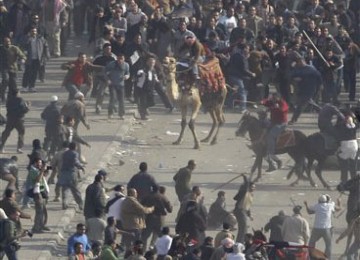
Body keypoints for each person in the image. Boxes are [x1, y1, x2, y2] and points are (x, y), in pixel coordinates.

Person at [304, 194, 341, 258]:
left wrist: (306, 205)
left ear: (319, 201)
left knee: (311, 243)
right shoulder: (330, 205)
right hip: (327, 229)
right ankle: (327, 258)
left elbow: (309, 212)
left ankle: (311, 257)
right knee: (328, 245)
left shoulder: (317, 206)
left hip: (317, 228)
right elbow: (338, 209)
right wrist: (339, 202)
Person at [289, 56, 322, 125]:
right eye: (299, 62)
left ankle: (293, 119)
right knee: (308, 102)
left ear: (304, 61)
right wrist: (295, 78)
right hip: (301, 88)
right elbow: (292, 76)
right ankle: (323, 110)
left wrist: (320, 85)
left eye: (301, 62)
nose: (300, 63)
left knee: (300, 105)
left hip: (310, 88)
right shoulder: (297, 69)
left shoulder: (310, 69)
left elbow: (318, 76)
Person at [261, 93, 289, 171]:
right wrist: (264, 101)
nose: (273, 99)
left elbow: (283, 109)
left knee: (271, 135)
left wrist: (277, 107)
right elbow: (264, 102)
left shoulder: (283, 103)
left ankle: (271, 151)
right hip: (273, 122)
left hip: (281, 123)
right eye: (272, 98)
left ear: (279, 98)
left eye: (274, 98)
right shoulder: (272, 102)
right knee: (262, 127)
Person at [141, 185, 173, 250]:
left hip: (149, 218)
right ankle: (154, 250)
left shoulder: (147, 196)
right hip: (160, 219)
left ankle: (142, 251)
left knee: (144, 236)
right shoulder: (163, 197)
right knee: (161, 236)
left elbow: (140, 205)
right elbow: (170, 209)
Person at [226, 43, 256, 112]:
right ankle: (243, 108)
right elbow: (244, 69)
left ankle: (229, 105)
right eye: (247, 48)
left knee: (235, 91)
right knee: (243, 92)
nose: (248, 50)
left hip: (231, 76)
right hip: (238, 77)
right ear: (244, 49)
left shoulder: (234, 55)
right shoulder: (242, 57)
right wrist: (252, 74)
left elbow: (228, 64)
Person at [26, 157, 51, 233]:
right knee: (39, 211)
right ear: (34, 163)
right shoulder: (32, 171)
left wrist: (45, 170)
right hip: (37, 193)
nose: (40, 164)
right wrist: (42, 171)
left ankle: (42, 225)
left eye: (41, 163)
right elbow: (38, 180)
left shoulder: (38, 170)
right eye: (38, 163)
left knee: (44, 210)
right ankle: (36, 228)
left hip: (42, 191)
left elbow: (44, 176)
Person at [0, 89, 29, 154]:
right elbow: (24, 110)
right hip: (19, 119)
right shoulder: (21, 100)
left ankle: (1, 147)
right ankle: (19, 148)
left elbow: (8, 108)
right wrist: (28, 106)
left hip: (10, 119)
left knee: (6, 133)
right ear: (18, 93)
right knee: (21, 133)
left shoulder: (9, 100)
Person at [21, 27, 49, 92]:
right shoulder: (27, 39)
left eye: (35, 31)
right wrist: (22, 57)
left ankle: (32, 86)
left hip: (37, 59)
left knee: (34, 73)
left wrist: (47, 55)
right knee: (27, 73)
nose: (34, 33)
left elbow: (46, 46)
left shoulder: (40, 39)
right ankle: (24, 86)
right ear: (30, 32)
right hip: (29, 59)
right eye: (32, 31)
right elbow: (22, 47)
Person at [58, 142, 85, 210]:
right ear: (75, 147)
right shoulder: (74, 153)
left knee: (65, 189)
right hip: (71, 173)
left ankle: (64, 202)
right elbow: (75, 162)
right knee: (75, 190)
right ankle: (80, 204)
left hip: (64, 173)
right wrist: (81, 166)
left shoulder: (65, 153)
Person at [92, 43, 116, 114]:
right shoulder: (98, 57)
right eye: (107, 49)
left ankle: (113, 106)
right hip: (101, 77)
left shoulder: (113, 57)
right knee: (100, 92)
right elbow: (92, 66)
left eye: (110, 49)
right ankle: (98, 106)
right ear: (104, 49)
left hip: (112, 77)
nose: (109, 50)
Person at [0, 37, 26, 101]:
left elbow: (22, 55)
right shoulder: (1, 49)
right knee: (5, 79)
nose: (8, 43)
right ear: (3, 43)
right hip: (4, 67)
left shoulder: (14, 48)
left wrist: (22, 59)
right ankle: (2, 95)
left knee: (13, 83)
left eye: (9, 42)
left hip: (13, 68)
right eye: (6, 42)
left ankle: (11, 97)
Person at [105, 53, 130, 120]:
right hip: (112, 84)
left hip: (121, 84)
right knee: (113, 98)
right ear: (117, 58)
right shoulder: (112, 64)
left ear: (124, 59)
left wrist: (127, 76)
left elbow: (127, 73)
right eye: (119, 59)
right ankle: (110, 113)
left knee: (121, 100)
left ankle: (121, 114)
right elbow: (105, 72)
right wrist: (108, 80)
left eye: (121, 59)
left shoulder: (126, 65)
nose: (120, 60)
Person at [233, 174, 255, 243]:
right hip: (240, 211)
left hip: (244, 211)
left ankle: (242, 241)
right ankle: (240, 242)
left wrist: (249, 214)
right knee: (243, 228)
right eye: (252, 187)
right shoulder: (245, 192)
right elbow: (246, 185)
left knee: (244, 228)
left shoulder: (251, 195)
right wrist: (245, 177)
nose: (254, 188)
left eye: (254, 187)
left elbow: (247, 206)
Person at [337, 114, 358, 183]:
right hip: (354, 146)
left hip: (345, 145)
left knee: (344, 166)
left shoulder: (342, 127)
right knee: (353, 166)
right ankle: (354, 181)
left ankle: (344, 182)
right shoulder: (355, 126)